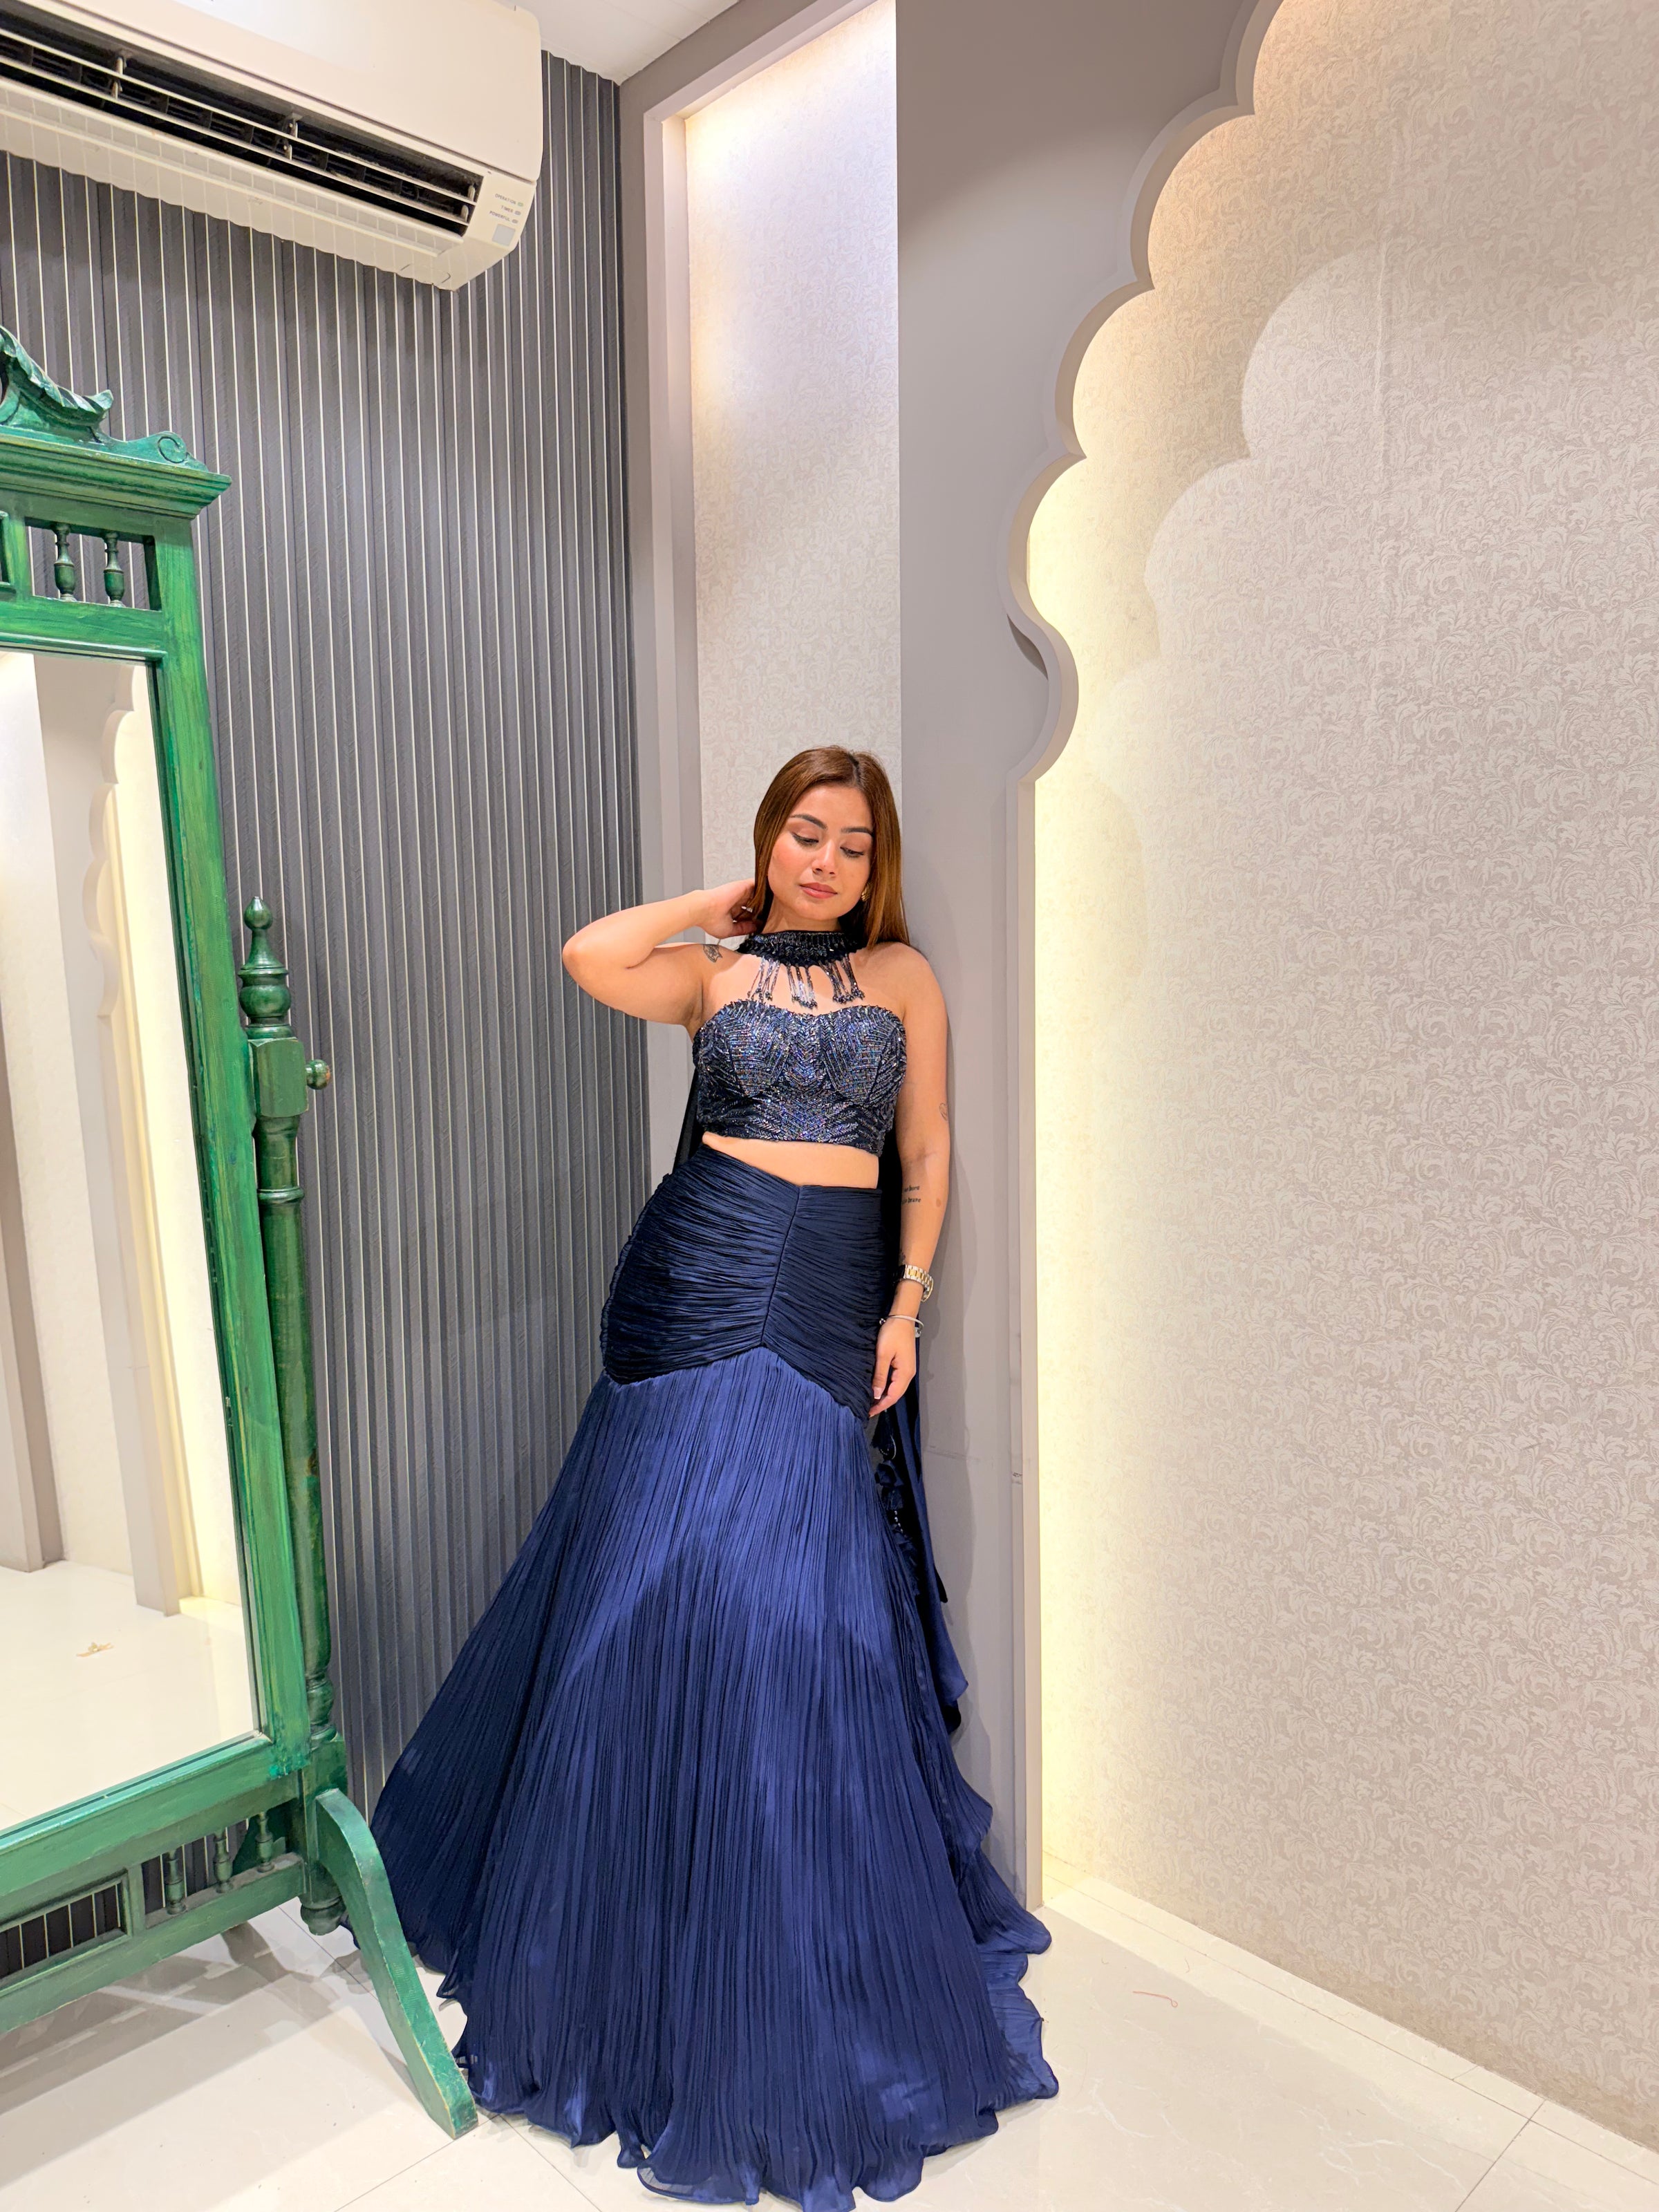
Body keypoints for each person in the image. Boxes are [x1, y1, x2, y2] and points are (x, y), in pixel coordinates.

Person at [371, 746, 1056, 2211]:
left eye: (852, 844)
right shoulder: (714, 972)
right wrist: (716, 902)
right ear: (771, 840)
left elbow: (927, 1146)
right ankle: (621, 1931)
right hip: (699, 1274)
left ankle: (787, 1943)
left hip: (830, 1297)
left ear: (878, 864)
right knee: (648, 1587)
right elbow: (588, 954)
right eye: (806, 835)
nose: (827, 861)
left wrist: (909, 1303)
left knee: (791, 1613)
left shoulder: (907, 981)